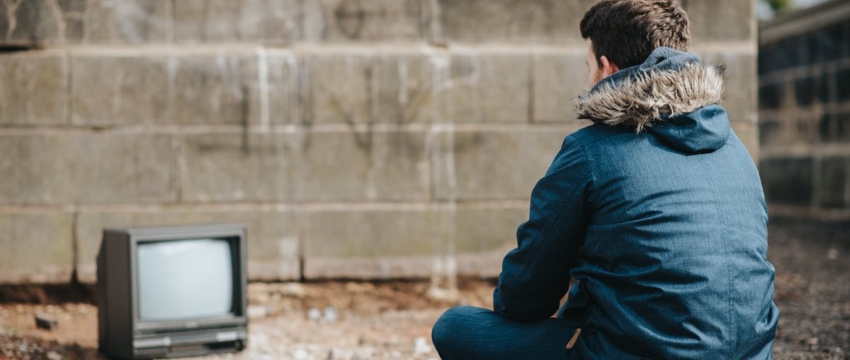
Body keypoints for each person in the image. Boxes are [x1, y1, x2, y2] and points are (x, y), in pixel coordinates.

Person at [430, 0, 779, 358]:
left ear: (605, 67)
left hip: (636, 352)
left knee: (455, 326)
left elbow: (525, 298)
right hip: (749, 352)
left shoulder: (591, 150)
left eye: (588, 67)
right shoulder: (733, 145)